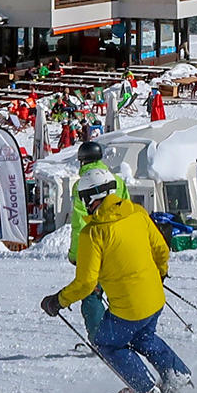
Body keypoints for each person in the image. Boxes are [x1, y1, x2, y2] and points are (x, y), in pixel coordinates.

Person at [41, 171, 192, 393]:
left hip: (129, 310)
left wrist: (58, 301)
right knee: (144, 337)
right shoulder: (138, 213)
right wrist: (160, 274)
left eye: (84, 198)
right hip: (155, 300)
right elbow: (161, 250)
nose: (84, 204)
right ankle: (178, 377)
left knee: (106, 342)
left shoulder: (93, 233)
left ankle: (145, 389)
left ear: (93, 197)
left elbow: (86, 284)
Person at [67, 140, 123, 337]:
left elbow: (79, 223)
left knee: (91, 293)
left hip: (96, 246)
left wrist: (76, 254)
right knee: (119, 291)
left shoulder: (81, 185)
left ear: (82, 161)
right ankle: (124, 334)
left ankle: (102, 339)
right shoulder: (117, 180)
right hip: (118, 245)